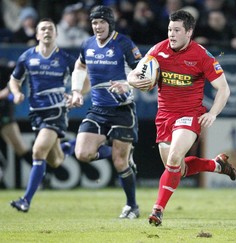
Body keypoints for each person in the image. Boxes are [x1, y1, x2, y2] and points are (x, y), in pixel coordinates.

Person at [127, 9, 236, 227]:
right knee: (178, 169)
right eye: (169, 29)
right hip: (164, 116)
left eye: (177, 30)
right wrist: (133, 81)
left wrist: (212, 113)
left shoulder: (202, 56)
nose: (172, 34)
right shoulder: (158, 50)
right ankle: (216, 165)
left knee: (175, 157)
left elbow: (223, 89)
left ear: (189, 32)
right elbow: (134, 73)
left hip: (189, 115)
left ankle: (157, 210)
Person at [70, 5, 142, 219]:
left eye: (101, 22)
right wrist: (76, 92)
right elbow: (80, 66)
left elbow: (143, 73)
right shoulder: (88, 44)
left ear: (110, 23)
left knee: (120, 163)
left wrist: (126, 85)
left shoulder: (124, 43)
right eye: (94, 22)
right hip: (98, 110)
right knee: (82, 153)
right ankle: (125, 154)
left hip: (122, 110)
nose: (97, 26)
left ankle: (132, 206)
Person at [8, 18, 77, 213]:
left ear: (56, 34)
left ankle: (25, 200)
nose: (47, 31)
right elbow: (14, 80)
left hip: (56, 110)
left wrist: (76, 94)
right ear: (37, 35)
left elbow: (84, 76)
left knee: (38, 151)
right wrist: (17, 93)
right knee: (55, 160)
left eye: (50, 29)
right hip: (36, 112)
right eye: (43, 29)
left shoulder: (64, 58)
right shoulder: (27, 57)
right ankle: (71, 146)